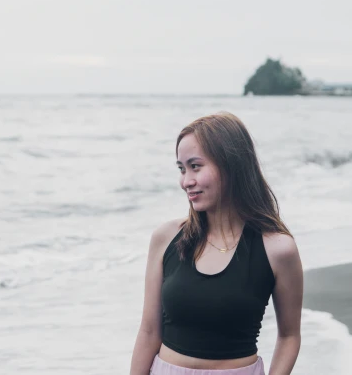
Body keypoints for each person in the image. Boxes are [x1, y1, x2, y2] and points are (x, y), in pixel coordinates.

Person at [129, 112, 303, 375]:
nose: (186, 181)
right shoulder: (166, 238)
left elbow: (289, 336)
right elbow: (149, 330)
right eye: (181, 168)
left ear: (231, 165)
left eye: (195, 166)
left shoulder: (277, 249)